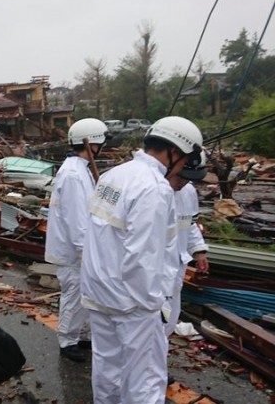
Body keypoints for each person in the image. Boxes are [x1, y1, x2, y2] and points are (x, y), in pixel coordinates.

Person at [81, 116, 203, 404]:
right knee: (145, 382)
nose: (184, 168)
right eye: (186, 161)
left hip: (99, 291)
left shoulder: (114, 175)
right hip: (133, 303)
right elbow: (143, 257)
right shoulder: (154, 188)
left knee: (108, 369)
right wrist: (154, 306)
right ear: (174, 152)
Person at [45, 118, 109, 363]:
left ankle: (82, 336)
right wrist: (86, 251)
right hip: (74, 250)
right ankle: (67, 341)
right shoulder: (73, 174)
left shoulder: (80, 169)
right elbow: (77, 218)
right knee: (74, 295)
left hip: (78, 248)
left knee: (84, 296)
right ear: (93, 143)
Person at [163, 150, 210, 337]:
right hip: (154, 268)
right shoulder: (153, 191)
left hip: (176, 263)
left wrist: (198, 250)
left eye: (187, 179)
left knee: (171, 313)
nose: (182, 183)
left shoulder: (188, 192)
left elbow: (190, 224)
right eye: (180, 177)